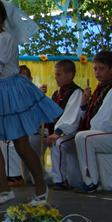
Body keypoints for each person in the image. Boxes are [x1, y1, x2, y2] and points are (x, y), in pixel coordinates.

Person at [0, 0, 62, 207]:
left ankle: (40, 186)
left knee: (20, 143)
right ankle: (4, 189)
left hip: (10, 91)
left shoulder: (6, 39)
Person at [74, 51, 112, 193]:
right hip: (104, 136)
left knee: (83, 137)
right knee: (110, 184)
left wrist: (89, 130)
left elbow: (106, 123)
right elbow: (91, 118)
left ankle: (90, 182)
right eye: (95, 68)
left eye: (101, 69)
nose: (97, 72)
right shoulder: (100, 90)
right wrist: (84, 103)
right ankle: (98, 181)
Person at [46, 59, 84, 190]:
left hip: (72, 133)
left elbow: (72, 118)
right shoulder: (57, 94)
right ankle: (42, 177)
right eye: (55, 74)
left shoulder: (76, 92)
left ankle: (60, 181)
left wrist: (57, 133)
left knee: (58, 143)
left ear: (70, 75)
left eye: (58, 74)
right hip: (60, 132)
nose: (55, 77)